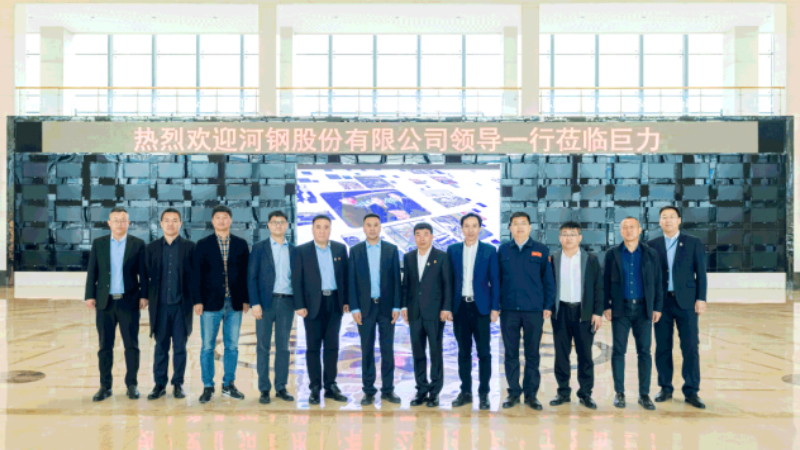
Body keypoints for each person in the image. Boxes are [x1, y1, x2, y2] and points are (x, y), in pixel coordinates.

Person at [84, 206, 146, 402]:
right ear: (109, 223)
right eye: (116, 220)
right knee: (105, 347)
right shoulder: (99, 243)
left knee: (131, 346)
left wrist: (144, 296)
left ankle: (132, 385)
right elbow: (92, 271)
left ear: (129, 223)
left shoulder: (138, 244)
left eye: (123, 220)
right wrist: (89, 295)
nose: (120, 223)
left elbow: (143, 273)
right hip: (105, 303)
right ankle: (105, 386)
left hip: (129, 302)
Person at [648, 206, 708, 409]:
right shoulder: (652, 245)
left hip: (687, 302)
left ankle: (691, 391)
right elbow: (650, 278)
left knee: (690, 347)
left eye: (672, 217)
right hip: (661, 304)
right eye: (664, 217)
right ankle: (665, 388)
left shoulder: (693, 242)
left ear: (679, 220)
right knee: (663, 347)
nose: (668, 220)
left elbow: (701, 273)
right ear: (660, 221)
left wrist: (701, 298)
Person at [497, 211, 555, 411]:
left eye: (523, 223)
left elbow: (548, 281)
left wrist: (547, 306)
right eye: (515, 223)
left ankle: (531, 394)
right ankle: (513, 392)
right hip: (509, 310)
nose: (519, 227)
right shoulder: (503, 250)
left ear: (530, 227)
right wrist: (496, 306)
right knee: (510, 354)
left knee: (532, 355)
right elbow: (497, 281)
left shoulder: (541, 250)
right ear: (510, 228)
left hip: (533, 311)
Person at [604, 217, 663, 410]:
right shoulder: (612, 254)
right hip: (620, 309)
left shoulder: (651, 254)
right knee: (618, 351)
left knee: (644, 352)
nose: (629, 230)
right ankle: (619, 393)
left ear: (640, 230)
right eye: (625, 227)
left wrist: (657, 307)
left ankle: (644, 394)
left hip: (643, 310)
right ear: (620, 231)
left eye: (632, 227)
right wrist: (606, 306)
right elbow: (604, 282)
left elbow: (658, 282)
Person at [195, 205, 250, 403]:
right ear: (213, 221)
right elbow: (196, 275)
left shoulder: (241, 244)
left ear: (231, 220)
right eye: (217, 217)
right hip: (210, 304)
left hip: (234, 303)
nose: (221, 220)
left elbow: (246, 274)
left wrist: (246, 299)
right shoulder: (203, 244)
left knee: (232, 346)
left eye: (225, 217)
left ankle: (228, 385)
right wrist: (197, 300)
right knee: (207, 347)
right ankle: (208, 386)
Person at [292, 215, 349, 405]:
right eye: (319, 227)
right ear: (312, 229)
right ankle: (315, 387)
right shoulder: (302, 251)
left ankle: (331, 385)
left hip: (335, 303)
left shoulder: (340, 249)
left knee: (332, 346)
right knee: (313, 347)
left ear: (330, 229)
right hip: (312, 305)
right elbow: (297, 280)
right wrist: (299, 304)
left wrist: (346, 301)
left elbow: (345, 277)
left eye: (326, 227)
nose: (322, 231)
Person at [141, 208, 196, 401]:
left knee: (180, 347)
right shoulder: (152, 248)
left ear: (180, 224)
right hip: (160, 306)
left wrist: (197, 301)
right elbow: (144, 276)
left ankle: (178, 384)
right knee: (161, 347)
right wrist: (144, 296)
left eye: (174, 220)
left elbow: (196, 277)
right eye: (167, 220)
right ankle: (159, 384)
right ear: (161, 224)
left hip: (182, 306)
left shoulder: (190, 247)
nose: (170, 224)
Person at [347, 213, 402, 406]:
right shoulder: (355, 251)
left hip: (387, 308)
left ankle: (388, 390)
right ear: (363, 228)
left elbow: (397, 280)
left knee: (387, 349)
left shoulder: (391, 250)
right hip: (365, 309)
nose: (372, 228)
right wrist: (354, 307)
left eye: (375, 225)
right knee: (367, 350)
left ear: (380, 227)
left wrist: (397, 305)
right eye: (368, 225)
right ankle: (368, 391)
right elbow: (351, 281)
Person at [548, 221, 604, 410]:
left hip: (584, 312)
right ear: (559, 238)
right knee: (561, 354)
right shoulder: (553, 259)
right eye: (565, 234)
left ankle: (585, 393)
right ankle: (563, 392)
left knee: (585, 354)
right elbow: (548, 286)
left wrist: (597, 312)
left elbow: (598, 287)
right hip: (561, 312)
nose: (568, 238)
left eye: (572, 234)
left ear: (579, 238)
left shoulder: (591, 260)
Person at [446, 213, 499, 411]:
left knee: (484, 352)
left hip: (481, 308)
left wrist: (495, 307)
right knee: (463, 352)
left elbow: (495, 281)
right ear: (461, 229)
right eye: (466, 226)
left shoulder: (489, 250)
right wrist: (447, 307)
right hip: (460, 307)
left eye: (474, 226)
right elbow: (448, 282)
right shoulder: (452, 250)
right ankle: (465, 392)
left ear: (479, 229)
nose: (470, 230)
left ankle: (484, 394)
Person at [401, 222, 453, 408]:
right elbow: (406, 285)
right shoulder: (408, 257)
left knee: (435, 352)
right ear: (414, 237)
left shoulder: (442, 257)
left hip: (435, 313)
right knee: (418, 352)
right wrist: (404, 306)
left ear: (432, 236)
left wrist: (446, 308)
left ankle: (435, 392)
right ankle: (421, 389)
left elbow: (448, 284)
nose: (422, 238)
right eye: (418, 234)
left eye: (425, 234)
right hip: (414, 312)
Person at [248, 210, 297, 405]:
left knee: (283, 347)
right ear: (268, 225)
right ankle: (264, 389)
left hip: (287, 303)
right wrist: (255, 303)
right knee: (263, 347)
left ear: (287, 226)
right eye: (275, 222)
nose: (278, 225)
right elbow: (251, 277)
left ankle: (281, 387)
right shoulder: (259, 248)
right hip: (265, 304)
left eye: (282, 222)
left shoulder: (294, 250)